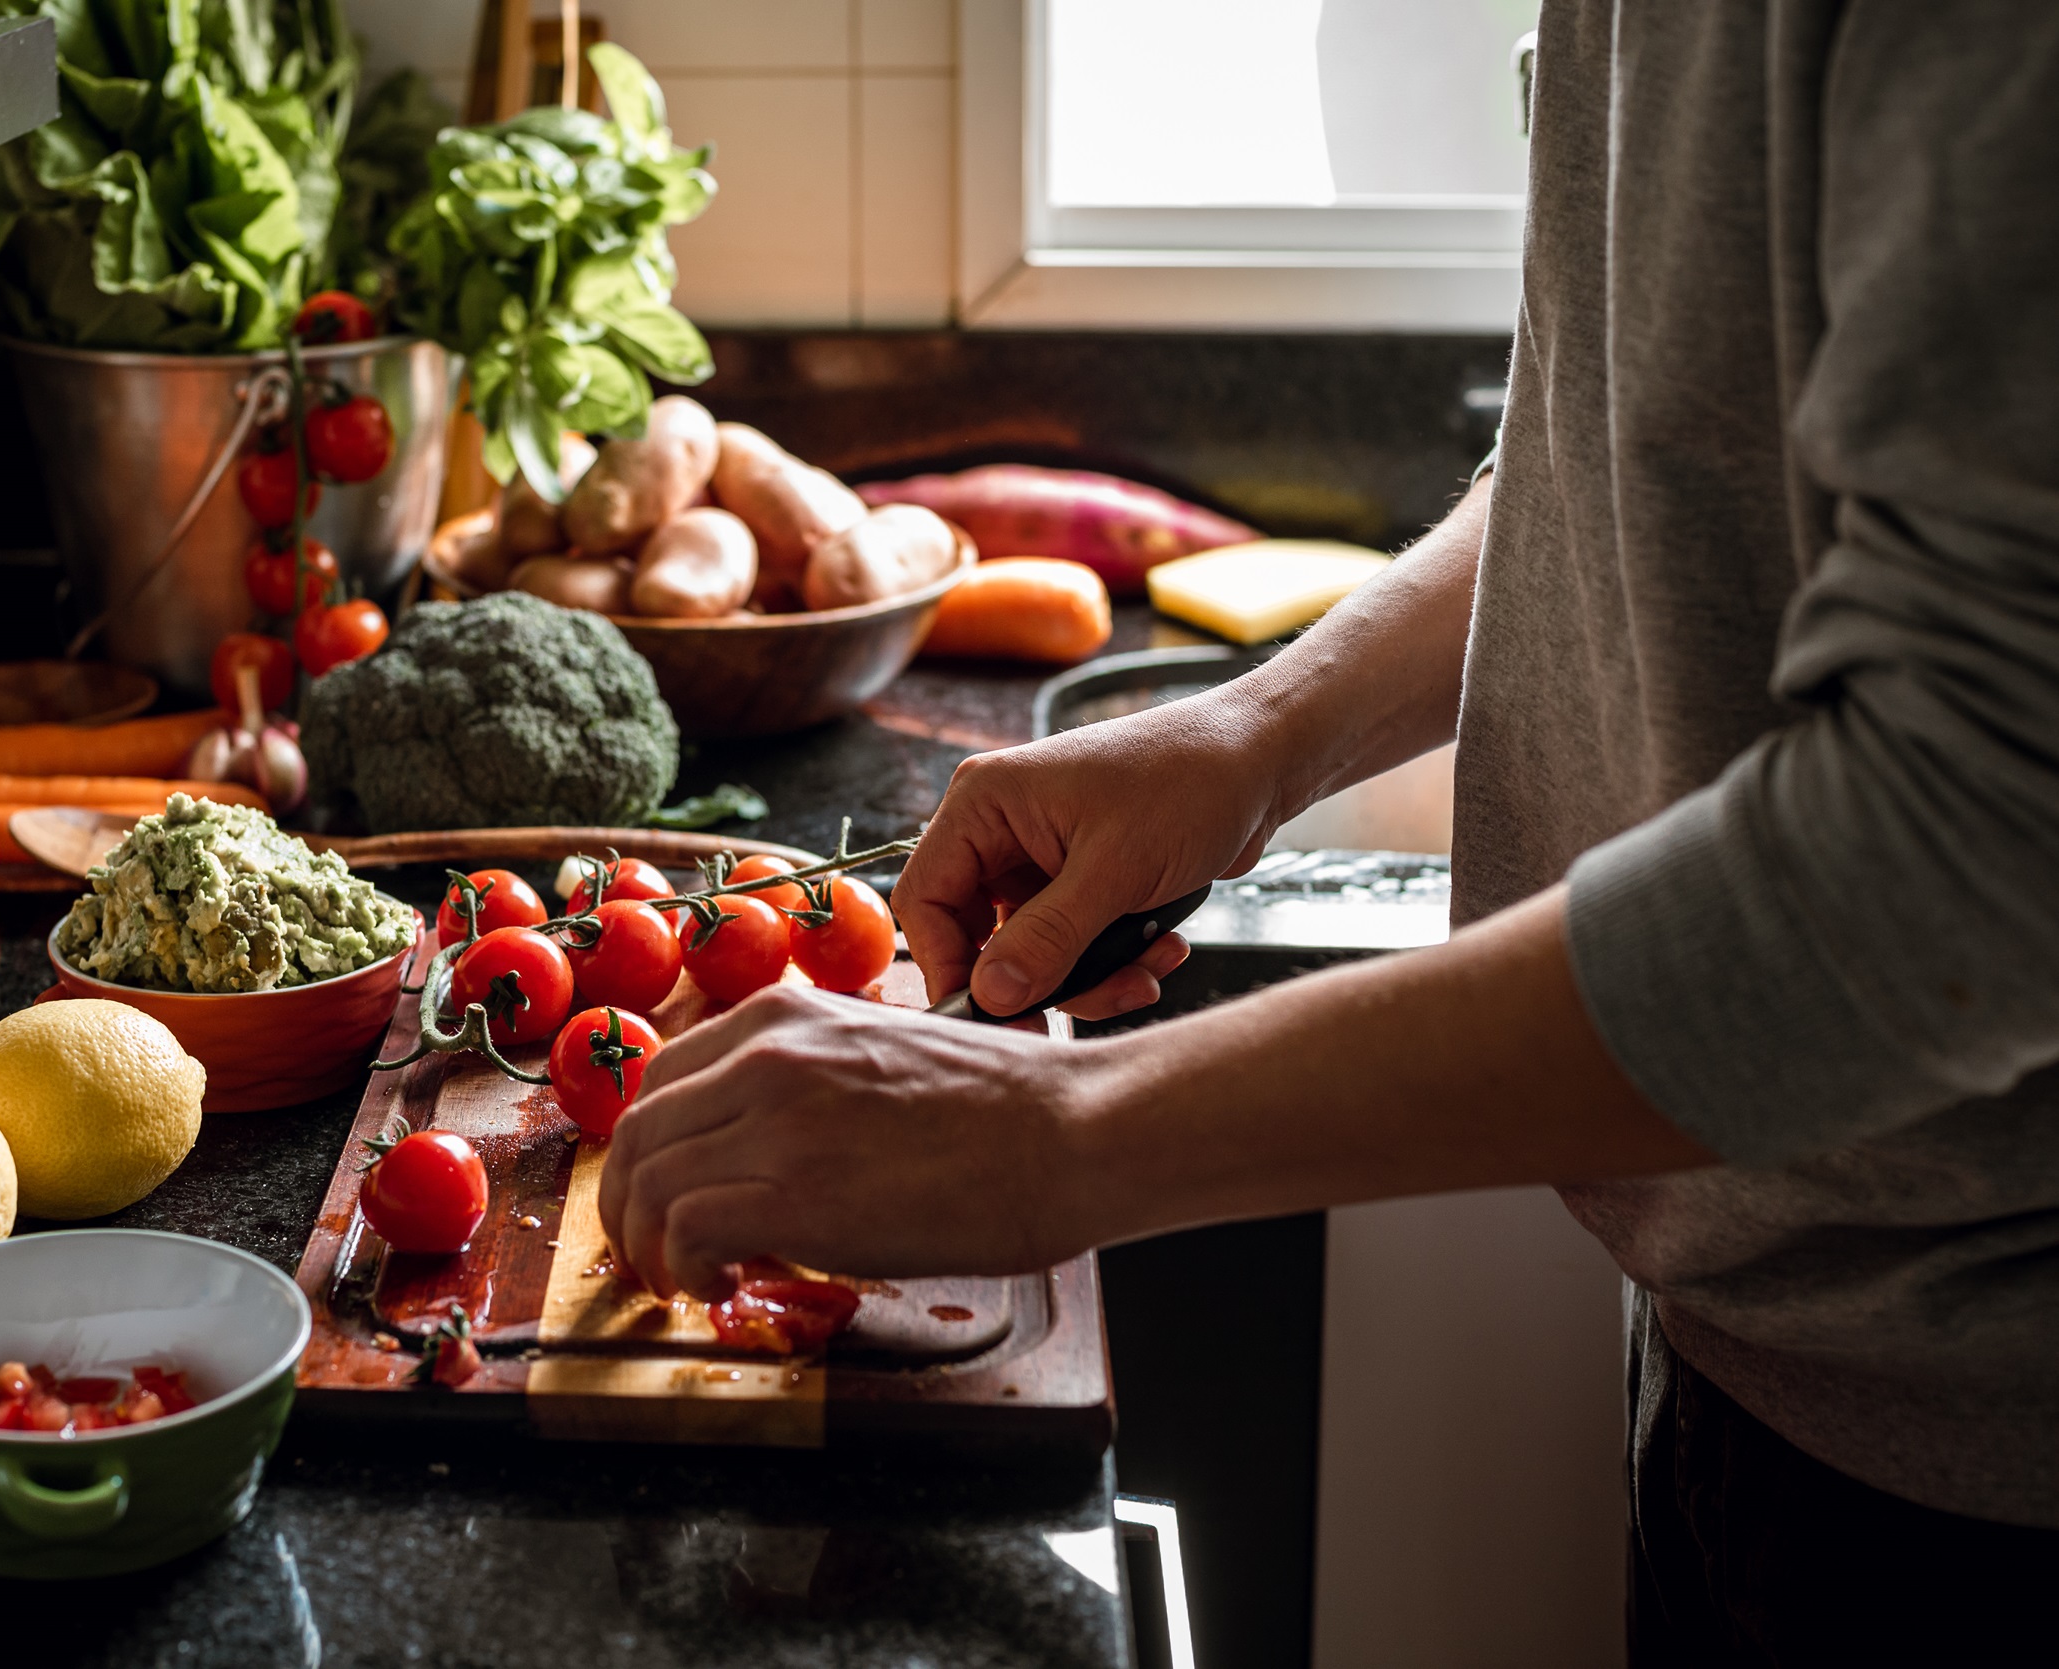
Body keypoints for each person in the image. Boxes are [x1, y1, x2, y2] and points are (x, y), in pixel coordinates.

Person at [599, 1, 2059, 1656]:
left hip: (1991, 1484)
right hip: (1769, 1339)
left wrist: (1060, 1134)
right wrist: (1257, 733)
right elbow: (1641, 442)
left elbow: (1980, 837)